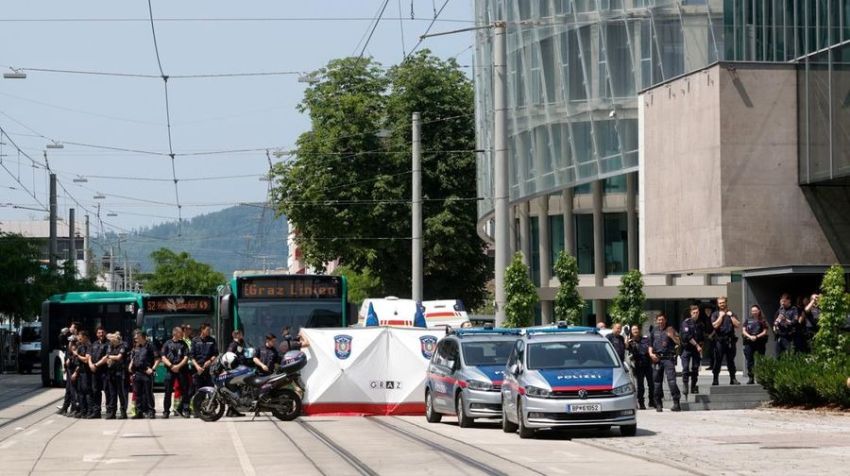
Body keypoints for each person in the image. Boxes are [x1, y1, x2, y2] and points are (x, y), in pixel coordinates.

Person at [649, 312, 681, 412]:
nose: (660, 321)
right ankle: (658, 403)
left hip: (668, 358)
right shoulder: (654, 331)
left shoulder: (670, 329)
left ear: (665, 320)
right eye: (659, 320)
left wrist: (671, 336)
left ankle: (676, 403)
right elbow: (650, 345)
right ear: (656, 320)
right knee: (657, 383)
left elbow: (679, 342)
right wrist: (651, 354)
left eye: (662, 319)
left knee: (672, 381)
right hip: (657, 359)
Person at [160, 326, 190, 419]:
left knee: (185, 390)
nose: (182, 334)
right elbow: (163, 357)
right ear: (175, 333)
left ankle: (185, 409)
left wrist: (178, 366)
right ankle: (166, 411)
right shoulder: (167, 344)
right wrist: (171, 366)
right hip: (170, 370)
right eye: (181, 332)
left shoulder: (184, 344)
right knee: (168, 391)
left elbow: (186, 357)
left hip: (181, 370)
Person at [711, 296, 741, 385]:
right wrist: (721, 316)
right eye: (720, 303)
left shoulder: (731, 313)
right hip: (719, 341)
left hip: (730, 340)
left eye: (723, 302)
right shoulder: (715, 314)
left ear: (726, 302)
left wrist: (731, 315)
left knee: (731, 360)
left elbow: (738, 325)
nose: (722, 304)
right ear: (717, 304)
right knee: (718, 360)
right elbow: (715, 325)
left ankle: (733, 378)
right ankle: (715, 379)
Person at [128, 331, 157, 419]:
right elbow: (134, 358)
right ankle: (139, 412)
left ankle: (151, 411)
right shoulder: (136, 346)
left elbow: (157, 358)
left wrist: (152, 369)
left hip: (146, 373)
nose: (135, 338)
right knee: (138, 394)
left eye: (137, 336)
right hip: (137, 373)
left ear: (142, 337)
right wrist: (130, 366)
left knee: (148, 393)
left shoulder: (150, 346)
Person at [190, 323, 219, 411]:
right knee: (198, 391)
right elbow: (191, 356)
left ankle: (210, 410)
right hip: (198, 370)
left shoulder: (212, 340)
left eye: (209, 330)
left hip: (208, 370)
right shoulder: (195, 340)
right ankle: (197, 410)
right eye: (207, 330)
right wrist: (197, 367)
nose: (209, 331)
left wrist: (210, 361)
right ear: (202, 330)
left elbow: (215, 354)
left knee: (210, 390)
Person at [679, 305, 705, 396]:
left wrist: (701, 347)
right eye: (694, 312)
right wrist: (697, 345)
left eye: (697, 312)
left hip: (696, 350)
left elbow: (702, 338)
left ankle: (693, 386)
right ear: (691, 313)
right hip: (686, 348)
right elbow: (687, 336)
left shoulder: (700, 324)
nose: (695, 314)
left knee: (695, 368)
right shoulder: (686, 323)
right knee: (685, 368)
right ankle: (685, 385)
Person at [626, 325, 653, 410]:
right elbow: (626, 346)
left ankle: (652, 401)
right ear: (631, 331)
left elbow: (649, 347)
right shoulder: (630, 341)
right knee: (640, 385)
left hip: (647, 364)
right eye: (633, 329)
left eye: (636, 329)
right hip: (638, 365)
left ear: (639, 330)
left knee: (651, 384)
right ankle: (641, 403)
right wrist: (627, 336)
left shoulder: (645, 339)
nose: (635, 330)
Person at [742, 305, 769, 385]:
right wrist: (750, 336)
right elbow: (743, 330)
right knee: (750, 361)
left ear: (759, 311)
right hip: (749, 342)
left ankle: (761, 377)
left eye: (755, 310)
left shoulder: (762, 320)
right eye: (752, 311)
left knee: (760, 360)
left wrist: (756, 337)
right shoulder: (748, 320)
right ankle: (751, 378)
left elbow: (765, 331)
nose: (754, 312)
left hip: (759, 342)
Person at [104, 332, 128, 419]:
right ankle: (112, 412)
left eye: (111, 340)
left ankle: (123, 412)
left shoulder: (122, 346)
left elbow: (118, 357)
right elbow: (107, 357)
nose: (110, 342)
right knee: (112, 393)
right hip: (111, 372)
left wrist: (109, 357)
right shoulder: (110, 347)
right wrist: (109, 358)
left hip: (120, 372)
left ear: (115, 340)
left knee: (121, 393)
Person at [72, 330, 95, 418]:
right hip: (80, 373)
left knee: (87, 392)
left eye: (80, 337)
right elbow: (78, 363)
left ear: (85, 337)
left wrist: (77, 355)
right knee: (80, 392)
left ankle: (90, 411)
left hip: (87, 373)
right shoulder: (81, 347)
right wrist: (75, 373)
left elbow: (86, 359)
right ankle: (83, 411)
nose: (79, 339)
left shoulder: (89, 346)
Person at [88, 326, 110, 418]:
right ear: (96, 334)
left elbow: (106, 358)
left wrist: (95, 365)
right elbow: (88, 355)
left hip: (104, 371)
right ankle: (96, 412)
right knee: (95, 391)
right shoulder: (94, 344)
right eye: (99, 333)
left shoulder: (108, 344)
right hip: (94, 372)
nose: (100, 334)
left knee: (107, 391)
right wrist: (90, 365)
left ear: (104, 333)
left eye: (102, 332)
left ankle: (109, 411)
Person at [774, 293, 798, 358]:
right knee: (778, 356)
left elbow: (795, 322)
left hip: (789, 336)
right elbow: (775, 321)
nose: (783, 303)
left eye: (784, 301)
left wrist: (785, 320)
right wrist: (775, 325)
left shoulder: (793, 309)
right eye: (781, 301)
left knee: (789, 355)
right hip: (780, 335)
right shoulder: (780, 309)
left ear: (789, 301)